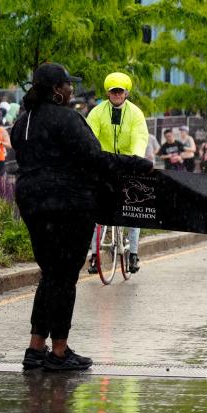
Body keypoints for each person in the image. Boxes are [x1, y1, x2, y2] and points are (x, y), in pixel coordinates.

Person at [12, 63, 153, 371]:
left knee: (50, 273)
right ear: (56, 91)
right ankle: (60, 352)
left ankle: (36, 348)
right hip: (68, 203)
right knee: (64, 276)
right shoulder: (67, 119)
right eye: (67, 85)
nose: (72, 89)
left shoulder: (22, 123)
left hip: (32, 201)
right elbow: (95, 158)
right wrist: (135, 164)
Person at [85, 72, 150, 275]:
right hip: (104, 163)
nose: (116, 95)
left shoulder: (135, 113)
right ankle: (94, 256)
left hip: (128, 162)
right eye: (113, 91)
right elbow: (90, 136)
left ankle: (133, 254)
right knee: (95, 213)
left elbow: (139, 137)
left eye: (120, 91)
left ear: (126, 93)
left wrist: (136, 159)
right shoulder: (97, 112)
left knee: (134, 208)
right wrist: (92, 157)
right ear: (107, 93)